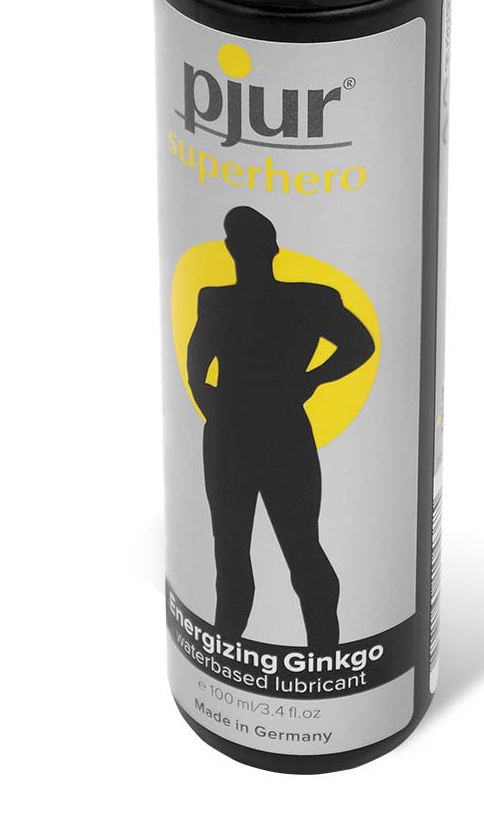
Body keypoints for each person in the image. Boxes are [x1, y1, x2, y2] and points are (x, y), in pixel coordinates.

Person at [186, 206, 376, 649]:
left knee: (296, 552)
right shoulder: (219, 301)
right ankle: (228, 652)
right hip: (239, 435)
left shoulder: (306, 300)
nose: (245, 250)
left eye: (249, 242)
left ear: (267, 249)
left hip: (271, 434)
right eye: (241, 242)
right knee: (237, 555)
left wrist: (311, 379)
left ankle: (320, 654)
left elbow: (360, 343)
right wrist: (215, 404)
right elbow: (196, 370)